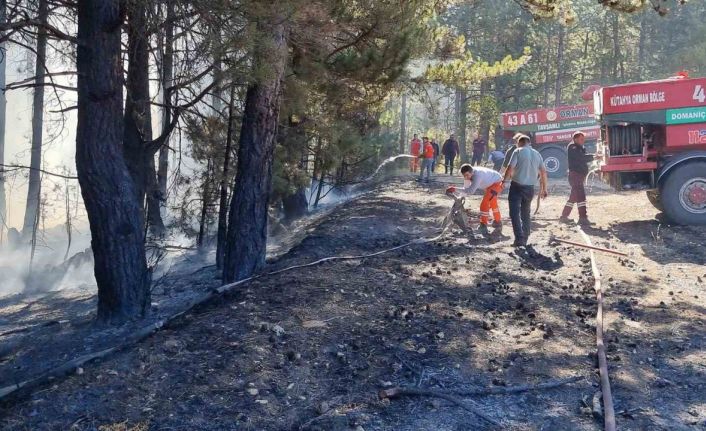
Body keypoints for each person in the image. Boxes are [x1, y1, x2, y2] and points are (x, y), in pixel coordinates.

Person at [502, 135, 548, 247]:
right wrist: (544, 189)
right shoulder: (537, 154)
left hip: (517, 186)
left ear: (519, 142)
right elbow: (543, 172)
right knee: (525, 213)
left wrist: (504, 181)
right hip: (530, 188)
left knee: (514, 213)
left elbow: (510, 167)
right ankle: (526, 236)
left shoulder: (518, 151)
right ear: (529, 143)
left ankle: (519, 238)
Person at [446, 164, 504, 236]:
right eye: (464, 176)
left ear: (472, 172)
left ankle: (483, 226)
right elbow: (465, 189)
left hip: (497, 183)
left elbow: (470, 191)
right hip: (490, 184)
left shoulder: (477, 176)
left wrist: (454, 189)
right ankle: (498, 222)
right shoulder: (468, 175)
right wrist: (459, 198)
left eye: (467, 175)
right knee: (492, 203)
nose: (466, 177)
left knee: (484, 204)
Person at [560, 131, 596, 225]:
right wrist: (594, 156)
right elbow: (581, 158)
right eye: (581, 139)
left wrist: (594, 156)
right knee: (581, 196)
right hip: (575, 175)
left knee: (573, 197)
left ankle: (564, 216)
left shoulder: (579, 147)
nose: (583, 141)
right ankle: (583, 218)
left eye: (583, 139)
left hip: (578, 175)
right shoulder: (573, 147)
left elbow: (582, 157)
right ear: (575, 139)